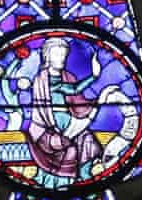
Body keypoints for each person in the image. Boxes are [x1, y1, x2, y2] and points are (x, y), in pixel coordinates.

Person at [8, 34, 105, 182]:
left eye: (63, 55)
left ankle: (86, 180)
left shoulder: (68, 76)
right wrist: (93, 76)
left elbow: (78, 101)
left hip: (70, 121)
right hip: (47, 128)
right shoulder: (42, 79)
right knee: (69, 149)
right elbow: (72, 90)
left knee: (89, 142)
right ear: (47, 57)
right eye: (57, 55)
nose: (61, 59)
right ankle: (57, 181)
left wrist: (94, 105)